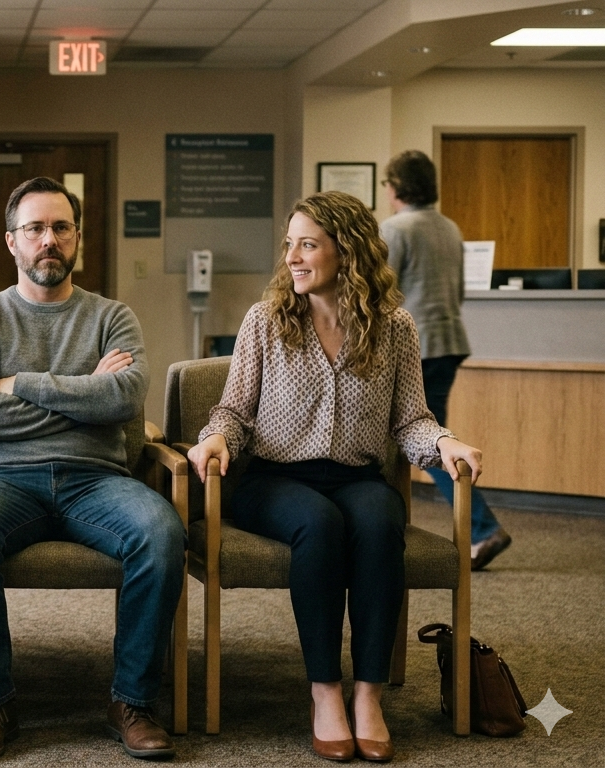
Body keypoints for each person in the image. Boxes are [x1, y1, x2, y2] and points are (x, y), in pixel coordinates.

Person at [186, 191, 484, 763]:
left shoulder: (394, 327)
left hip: (358, 476)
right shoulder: (266, 320)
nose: (293, 257)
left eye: (308, 245)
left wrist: (444, 443)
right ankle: (325, 692)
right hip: (271, 480)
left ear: (346, 251)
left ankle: (367, 695)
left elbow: (410, 419)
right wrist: (215, 439)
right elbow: (233, 412)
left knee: (378, 522)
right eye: (290, 244)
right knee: (319, 524)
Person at [0, 177, 185, 761]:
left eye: (60, 227)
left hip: (98, 481)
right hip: (1, 482)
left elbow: (125, 399)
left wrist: (20, 384)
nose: (48, 240)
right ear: (11, 242)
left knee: (162, 533)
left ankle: (131, 702)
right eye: (35, 229)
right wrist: (84, 398)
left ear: (77, 238)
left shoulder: (112, 317)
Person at [381, 150, 511, 570]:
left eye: (387, 184)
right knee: (429, 432)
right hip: (450, 340)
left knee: (426, 439)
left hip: (416, 345)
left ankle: (482, 527)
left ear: (396, 186)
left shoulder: (395, 229)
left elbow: (380, 293)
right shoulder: (449, 227)